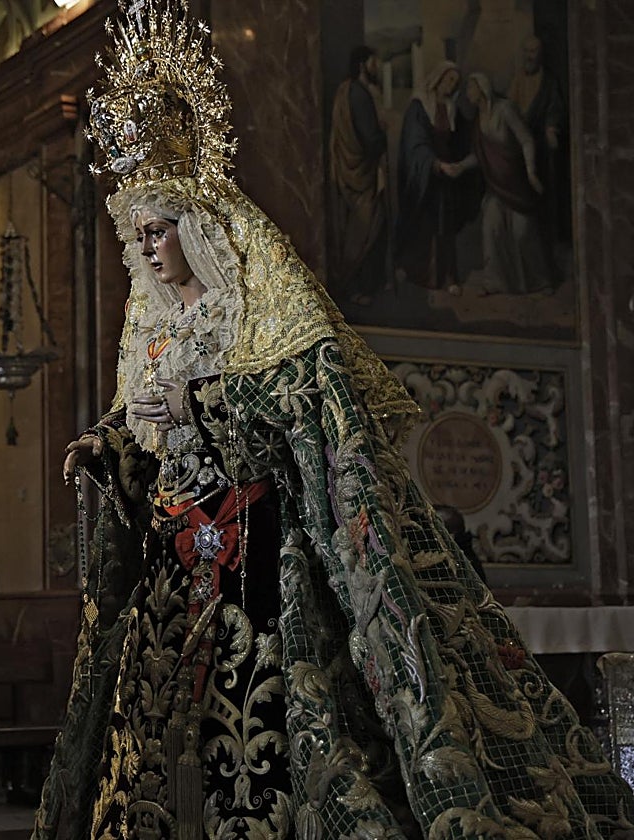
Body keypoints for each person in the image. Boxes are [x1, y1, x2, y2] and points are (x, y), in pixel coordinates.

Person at [34, 2, 634, 838]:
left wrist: (197, 404)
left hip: (252, 550)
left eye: (161, 230)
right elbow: (145, 436)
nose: (150, 249)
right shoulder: (155, 330)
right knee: (152, 734)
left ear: (199, 230)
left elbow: (302, 414)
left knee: (260, 727)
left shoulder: (257, 314)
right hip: (176, 558)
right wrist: (107, 445)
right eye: (139, 235)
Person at [453, 73, 556, 295]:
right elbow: (479, 156)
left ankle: (540, 281)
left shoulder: (505, 109)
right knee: (491, 228)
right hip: (496, 187)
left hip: (517, 183)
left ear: (482, 89)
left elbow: (526, 140)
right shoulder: (477, 120)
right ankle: (494, 281)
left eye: (470, 88)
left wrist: (530, 172)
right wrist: (460, 166)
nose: (467, 93)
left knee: (522, 232)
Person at [394, 61, 476, 295]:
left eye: (455, 83)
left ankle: (449, 275)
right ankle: (422, 273)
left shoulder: (452, 110)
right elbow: (415, 144)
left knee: (446, 226)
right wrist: (435, 164)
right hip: (425, 177)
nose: (451, 85)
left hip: (448, 178)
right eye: (449, 79)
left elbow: (463, 140)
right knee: (425, 225)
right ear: (438, 79)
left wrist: (460, 164)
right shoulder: (419, 108)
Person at [329, 45, 389, 306]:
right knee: (368, 228)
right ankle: (361, 287)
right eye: (375, 62)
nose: (378, 67)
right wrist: (386, 137)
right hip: (362, 173)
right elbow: (371, 139)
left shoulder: (347, 91)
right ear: (364, 64)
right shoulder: (359, 95)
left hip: (351, 171)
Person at [508, 35, 568, 242]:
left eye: (533, 51)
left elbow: (555, 109)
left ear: (540, 55)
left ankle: (548, 241)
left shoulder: (549, 82)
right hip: (521, 145)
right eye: (526, 51)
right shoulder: (517, 79)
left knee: (545, 193)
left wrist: (551, 128)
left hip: (541, 146)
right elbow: (510, 109)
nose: (529, 56)